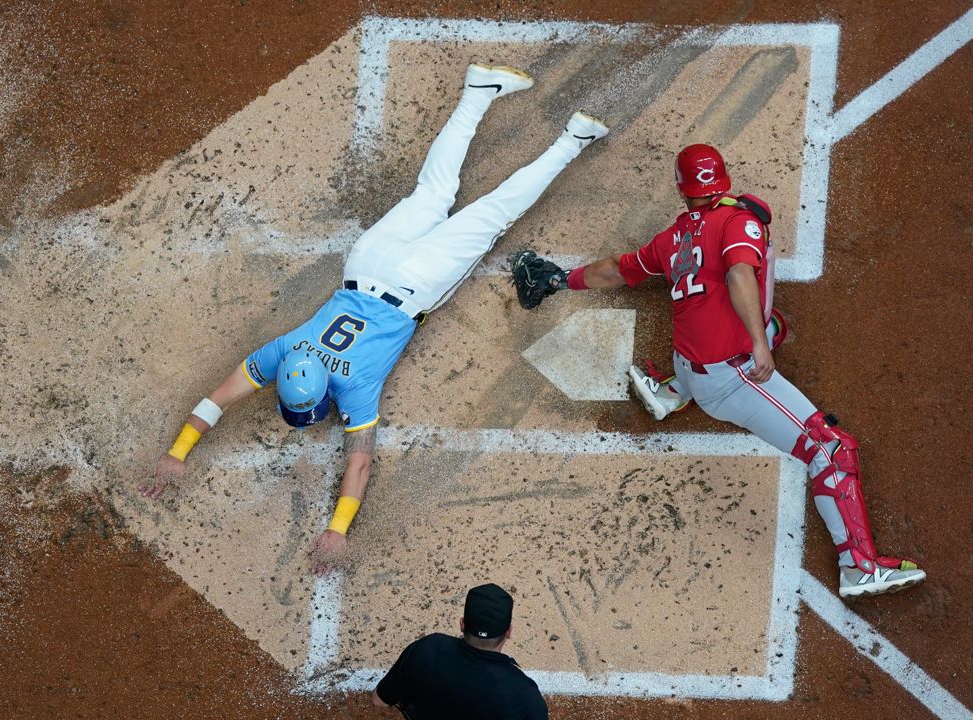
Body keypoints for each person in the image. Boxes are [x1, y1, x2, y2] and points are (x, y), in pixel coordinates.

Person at [139, 63, 609, 572]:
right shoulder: (284, 350)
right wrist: (177, 451)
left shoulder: (354, 388)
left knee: (495, 213)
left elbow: (359, 462)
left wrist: (337, 531)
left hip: (415, 283)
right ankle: (477, 92)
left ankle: (573, 139)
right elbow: (215, 400)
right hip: (367, 260)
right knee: (431, 192)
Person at [509, 144, 925, 598]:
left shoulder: (671, 240)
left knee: (772, 323)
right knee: (831, 450)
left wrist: (557, 279)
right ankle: (858, 567)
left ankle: (670, 390)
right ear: (723, 180)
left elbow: (614, 270)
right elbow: (740, 276)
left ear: (682, 190)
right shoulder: (738, 223)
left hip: (687, 364)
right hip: (729, 381)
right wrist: (759, 346)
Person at [372, 583, 547, 719]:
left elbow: (379, 700)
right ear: (509, 631)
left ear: (462, 624)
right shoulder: (524, 693)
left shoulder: (428, 649)